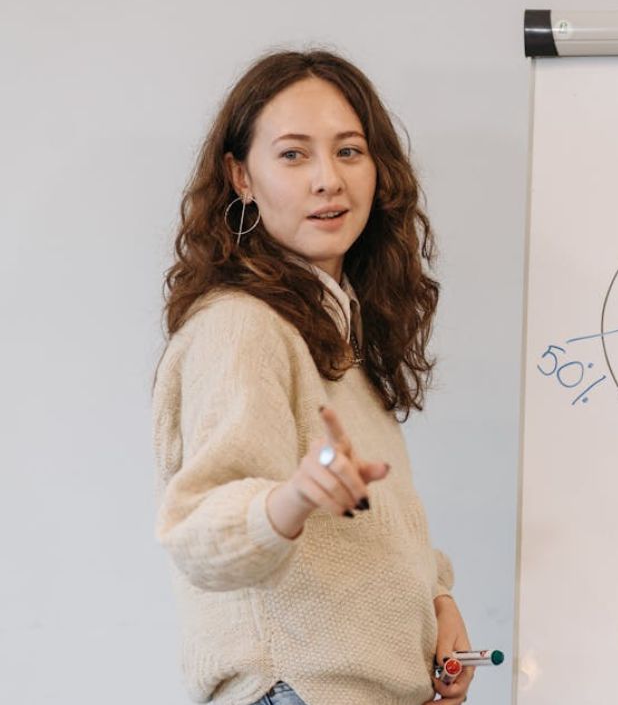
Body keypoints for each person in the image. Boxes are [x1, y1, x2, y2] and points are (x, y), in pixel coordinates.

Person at [152, 49, 474, 705]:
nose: (328, 179)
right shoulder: (242, 326)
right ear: (241, 175)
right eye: (293, 154)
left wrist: (438, 601)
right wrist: (293, 497)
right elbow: (195, 529)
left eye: (349, 151)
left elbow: (376, 532)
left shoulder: (334, 331)